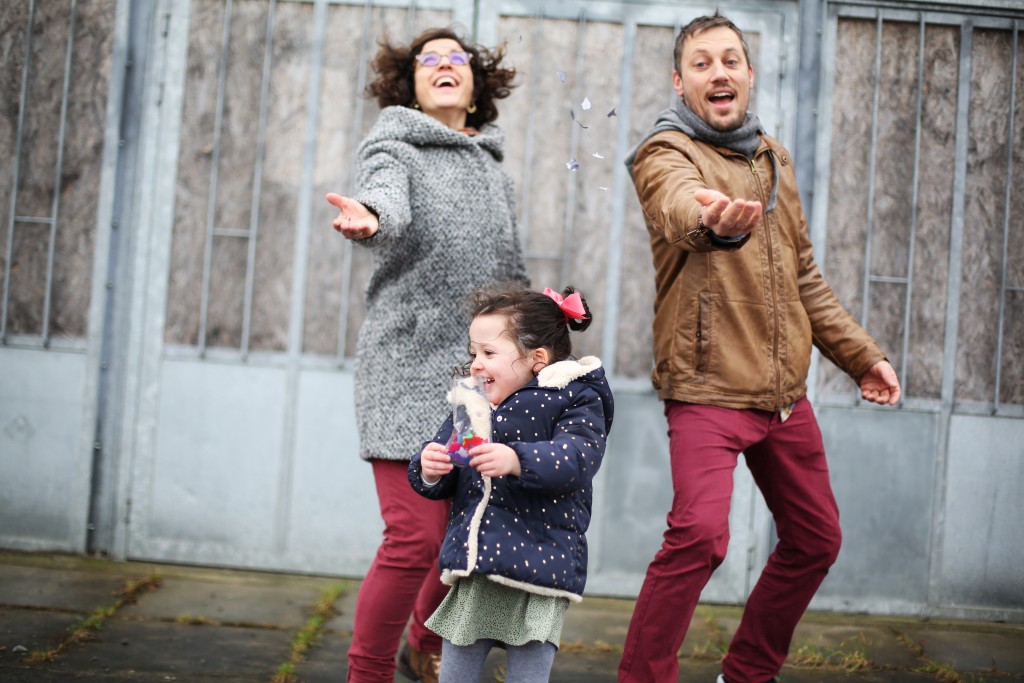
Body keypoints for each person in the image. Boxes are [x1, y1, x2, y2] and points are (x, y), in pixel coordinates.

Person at [617, 12, 902, 683]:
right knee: (699, 536)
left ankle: (746, 672)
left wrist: (861, 355)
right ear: (680, 82)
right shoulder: (666, 153)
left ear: (748, 74)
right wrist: (712, 219)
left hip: (782, 395)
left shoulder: (773, 156)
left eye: (731, 60)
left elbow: (802, 274)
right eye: (702, 62)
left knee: (816, 538)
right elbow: (679, 209)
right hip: (708, 385)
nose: (719, 72)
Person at [325, 27, 527, 683]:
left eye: (456, 58)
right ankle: (368, 672)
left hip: (477, 383)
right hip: (406, 370)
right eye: (428, 60)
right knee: (413, 537)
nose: (442, 65)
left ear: (476, 84)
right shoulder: (395, 148)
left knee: (464, 541)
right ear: (410, 83)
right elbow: (387, 199)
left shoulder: (497, 173)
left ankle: (424, 642)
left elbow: (510, 274)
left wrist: (539, 332)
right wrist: (371, 217)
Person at [407, 284, 614, 683]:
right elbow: (446, 458)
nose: (475, 365)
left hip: (542, 565)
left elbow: (576, 459)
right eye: (473, 354)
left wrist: (517, 459)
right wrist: (430, 467)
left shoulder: (574, 398)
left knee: (528, 672)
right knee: (457, 668)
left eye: (488, 353)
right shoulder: (475, 401)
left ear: (537, 359)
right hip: (479, 562)